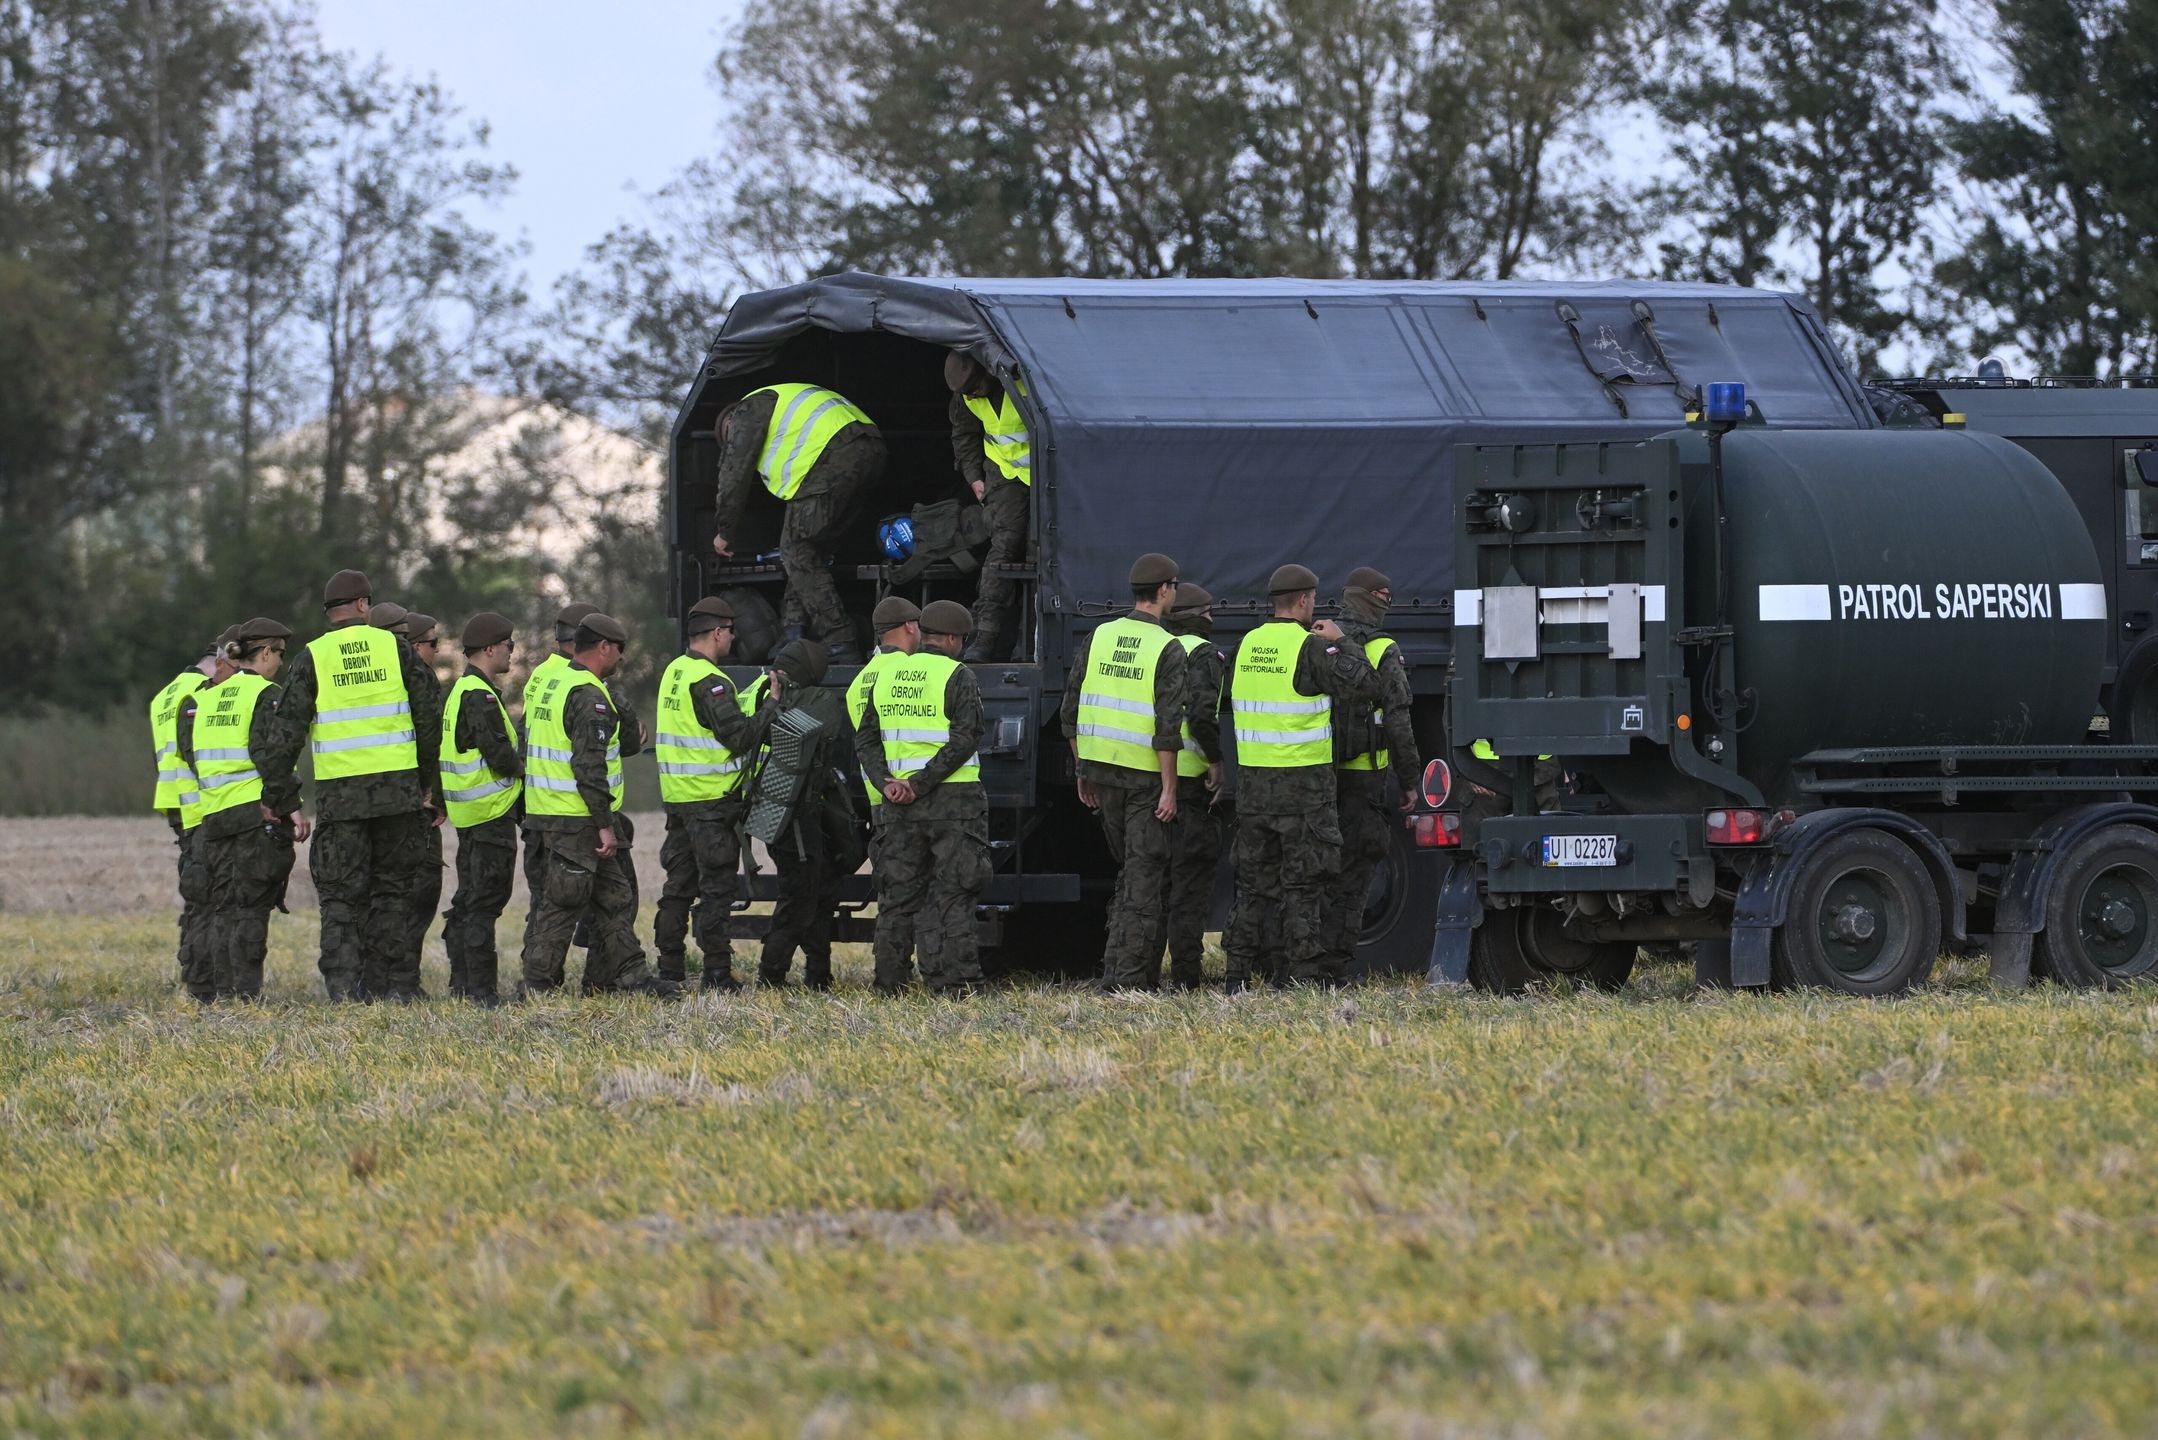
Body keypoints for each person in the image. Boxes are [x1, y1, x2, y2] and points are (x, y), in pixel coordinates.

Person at [264, 570, 442, 1001]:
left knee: (342, 902)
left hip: (341, 803)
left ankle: (345, 991)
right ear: (364, 605)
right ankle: (391, 990)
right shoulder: (397, 650)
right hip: (398, 798)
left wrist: (280, 796)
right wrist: (427, 784)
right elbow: (429, 720)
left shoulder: (313, 656)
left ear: (330, 613)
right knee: (393, 895)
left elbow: (284, 732)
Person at [1222, 564, 1381, 990]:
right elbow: (1367, 686)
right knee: (1303, 886)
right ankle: (1300, 977)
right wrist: (1342, 640)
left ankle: (1235, 976)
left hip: (1254, 788)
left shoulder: (1245, 646)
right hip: (1303, 790)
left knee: (1253, 886)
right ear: (1305, 600)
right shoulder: (1310, 648)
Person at [519, 612, 678, 998]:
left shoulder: (552, 682)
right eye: (620, 649)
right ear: (603, 646)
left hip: (551, 812)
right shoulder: (589, 694)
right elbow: (588, 766)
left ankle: (632, 977)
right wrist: (605, 824)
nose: (622, 658)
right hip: (577, 819)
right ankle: (537, 986)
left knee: (615, 900)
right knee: (562, 906)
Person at [1058, 553, 1188, 991]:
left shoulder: (1099, 636)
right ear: (1166, 589)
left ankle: (1125, 974)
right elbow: (1168, 730)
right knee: (1143, 879)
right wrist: (1169, 790)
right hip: (1144, 780)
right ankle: (1127, 983)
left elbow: (1069, 711)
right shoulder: (1166, 646)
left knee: (1131, 873)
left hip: (1101, 774)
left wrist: (1081, 766)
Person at [854, 598, 986, 996]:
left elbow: (864, 738)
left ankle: (889, 984)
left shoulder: (886, 676)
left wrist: (888, 782)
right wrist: (922, 782)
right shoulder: (957, 675)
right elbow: (966, 739)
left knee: (896, 899)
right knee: (954, 894)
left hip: (898, 806)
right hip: (953, 803)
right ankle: (958, 984)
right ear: (950, 638)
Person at [707, 382, 885, 662]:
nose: (732, 444)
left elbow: (734, 473)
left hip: (833, 455)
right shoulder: (782, 400)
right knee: (808, 551)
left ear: (730, 422)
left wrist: (724, 531)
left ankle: (840, 640)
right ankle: (793, 631)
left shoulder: (747, 410)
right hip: (869, 447)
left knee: (795, 548)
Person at [177, 618, 307, 1001]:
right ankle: (247, 997)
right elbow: (271, 756)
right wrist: (289, 806)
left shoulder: (208, 698)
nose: (281, 662)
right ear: (265, 652)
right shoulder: (264, 694)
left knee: (222, 910)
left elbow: (195, 757)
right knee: (250, 909)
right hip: (254, 815)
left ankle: (222, 995)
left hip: (214, 817)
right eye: (279, 654)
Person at [653, 595, 777, 992]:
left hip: (680, 801)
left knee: (676, 888)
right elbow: (739, 737)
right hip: (711, 803)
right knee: (716, 891)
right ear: (719, 632)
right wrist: (772, 703)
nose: (733, 639)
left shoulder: (675, 671)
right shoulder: (710, 681)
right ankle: (717, 973)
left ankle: (669, 969)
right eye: (730, 632)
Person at [520, 601, 651, 937]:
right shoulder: (588, 685)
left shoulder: (541, 678)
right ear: (596, 641)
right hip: (582, 812)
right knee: (611, 901)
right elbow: (626, 742)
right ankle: (595, 976)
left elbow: (526, 740)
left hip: (542, 808)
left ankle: (540, 978)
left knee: (550, 901)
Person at [1320, 567, 1422, 975]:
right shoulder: (1382, 648)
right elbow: (1398, 719)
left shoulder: (1319, 638)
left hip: (1318, 775)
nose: (1388, 603)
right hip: (1364, 780)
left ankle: (1301, 965)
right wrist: (1411, 781)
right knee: (1354, 873)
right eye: (1384, 595)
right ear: (1369, 598)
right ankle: (1334, 968)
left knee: (1313, 872)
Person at [749, 639, 860, 989]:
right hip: (797, 820)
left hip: (781, 815)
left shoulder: (758, 694)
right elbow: (824, 733)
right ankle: (771, 976)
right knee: (799, 899)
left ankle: (818, 973)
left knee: (818, 890)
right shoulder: (819, 702)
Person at [440, 612, 523, 1005]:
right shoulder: (479, 695)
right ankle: (481, 991)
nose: (513, 651)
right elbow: (501, 756)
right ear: (490, 649)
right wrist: (528, 770)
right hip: (490, 814)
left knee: (471, 900)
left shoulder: (460, 691)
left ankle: (463, 983)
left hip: (472, 814)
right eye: (509, 645)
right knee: (483, 904)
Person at [1153, 582, 1228, 990]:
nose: (1214, 619)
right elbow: (1201, 715)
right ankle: (1185, 977)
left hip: (1153, 776)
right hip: (1189, 781)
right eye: (1209, 611)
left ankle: (1142, 973)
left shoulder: (1158, 648)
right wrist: (1216, 760)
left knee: (1152, 882)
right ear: (1198, 617)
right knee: (1190, 881)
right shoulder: (1203, 654)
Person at [150, 628, 231, 1003]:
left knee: (195, 894)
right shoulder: (199, 693)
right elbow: (197, 753)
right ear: (216, 662)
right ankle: (207, 981)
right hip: (200, 804)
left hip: (174, 801)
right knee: (210, 898)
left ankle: (195, 975)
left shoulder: (162, 695)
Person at [849, 597, 922, 992]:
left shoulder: (860, 681)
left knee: (892, 898)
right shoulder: (911, 672)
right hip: (914, 798)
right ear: (911, 626)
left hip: (879, 803)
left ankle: (890, 979)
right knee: (923, 896)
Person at [946, 351, 1031, 662]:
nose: (971, 395)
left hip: (1044, 475)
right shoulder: (965, 397)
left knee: (1039, 555)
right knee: (1004, 547)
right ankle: (986, 637)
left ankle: (1030, 642)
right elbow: (964, 435)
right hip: (1003, 474)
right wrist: (974, 478)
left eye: (974, 387)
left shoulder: (1023, 384)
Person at [398, 611, 449, 980]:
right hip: (417, 804)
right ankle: (403, 978)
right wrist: (432, 792)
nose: (437, 650)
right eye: (434, 644)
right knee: (418, 893)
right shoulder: (420, 680)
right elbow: (430, 741)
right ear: (416, 646)